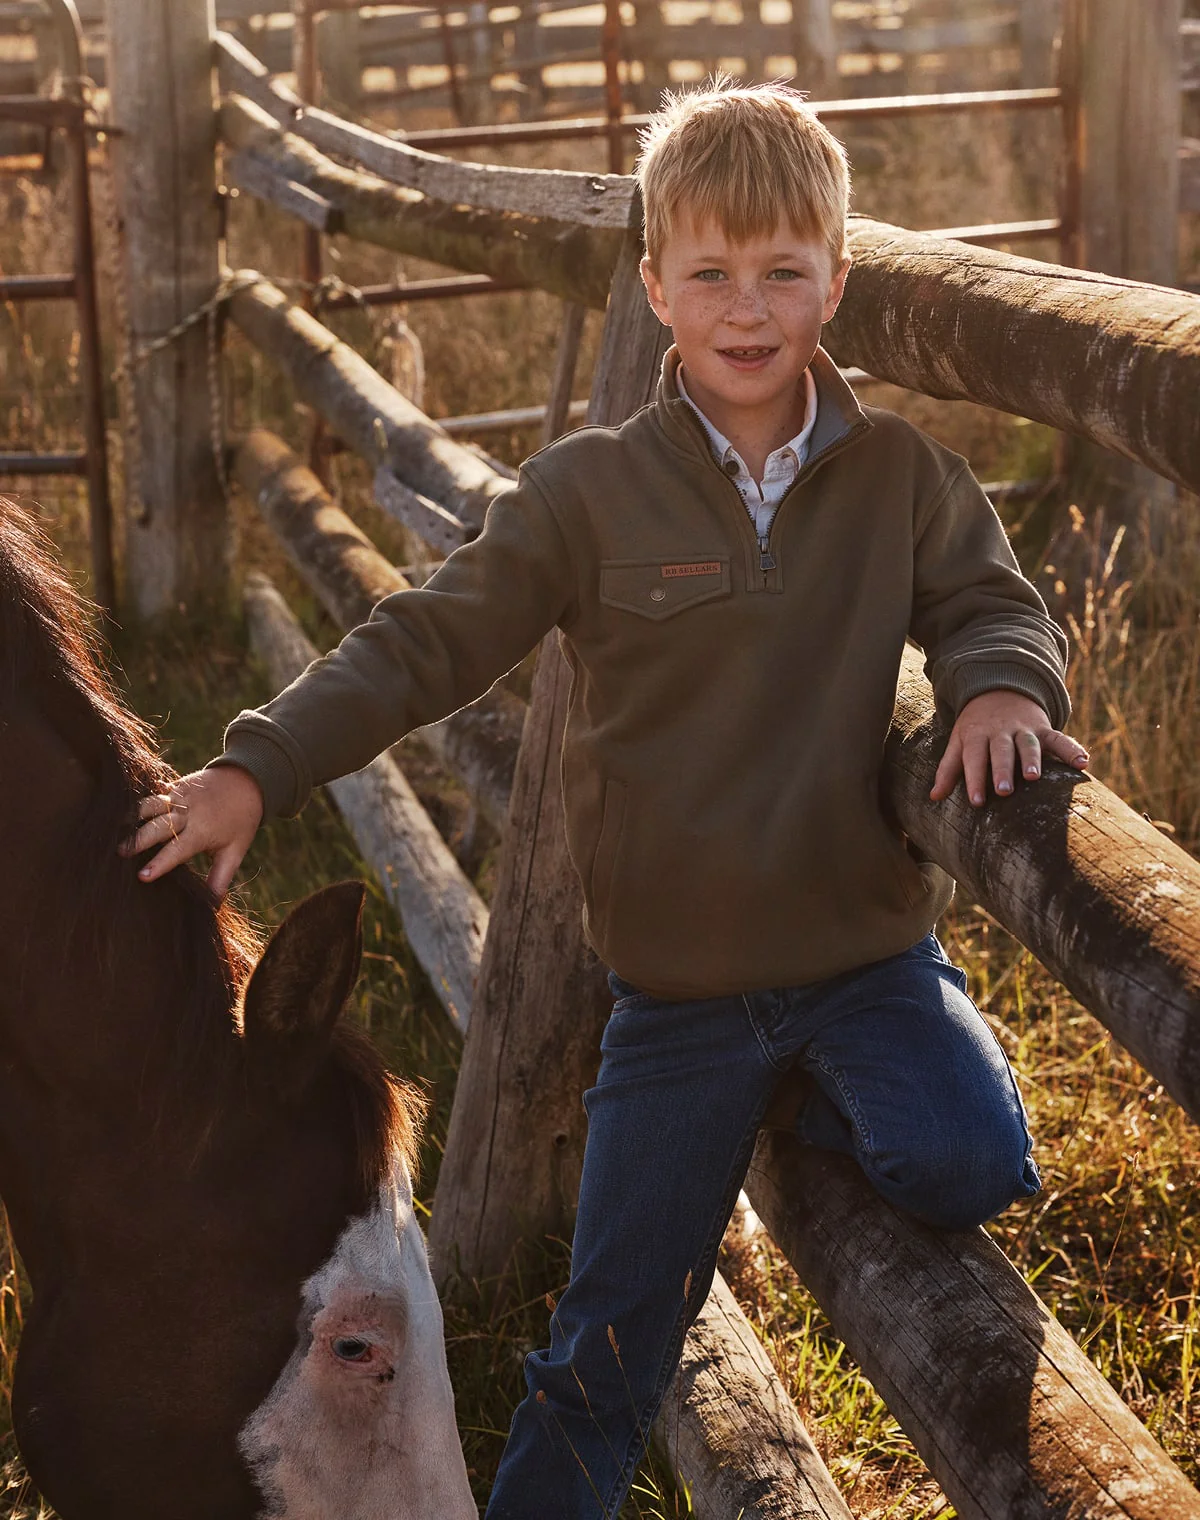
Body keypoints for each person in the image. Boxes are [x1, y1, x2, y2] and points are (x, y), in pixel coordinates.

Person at [123, 80, 1089, 1518]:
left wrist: (1006, 689)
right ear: (654, 285)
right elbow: (424, 639)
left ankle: (818, 1087)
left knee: (968, 1157)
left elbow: (991, 606)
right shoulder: (590, 494)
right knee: (608, 1345)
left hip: (865, 962)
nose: (747, 308)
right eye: (709, 273)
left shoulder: (902, 478)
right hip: (679, 1004)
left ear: (837, 278)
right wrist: (258, 762)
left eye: (782, 272)